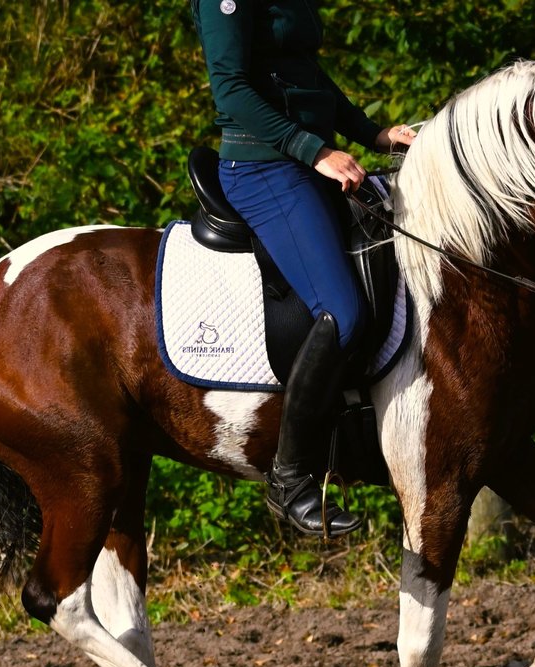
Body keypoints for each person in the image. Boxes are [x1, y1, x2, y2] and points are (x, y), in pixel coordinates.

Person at [192, 0, 416, 538]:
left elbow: (307, 77)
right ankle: (289, 479)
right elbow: (231, 90)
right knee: (342, 311)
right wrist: (314, 151)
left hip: (307, 157)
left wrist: (373, 133)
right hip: (264, 167)